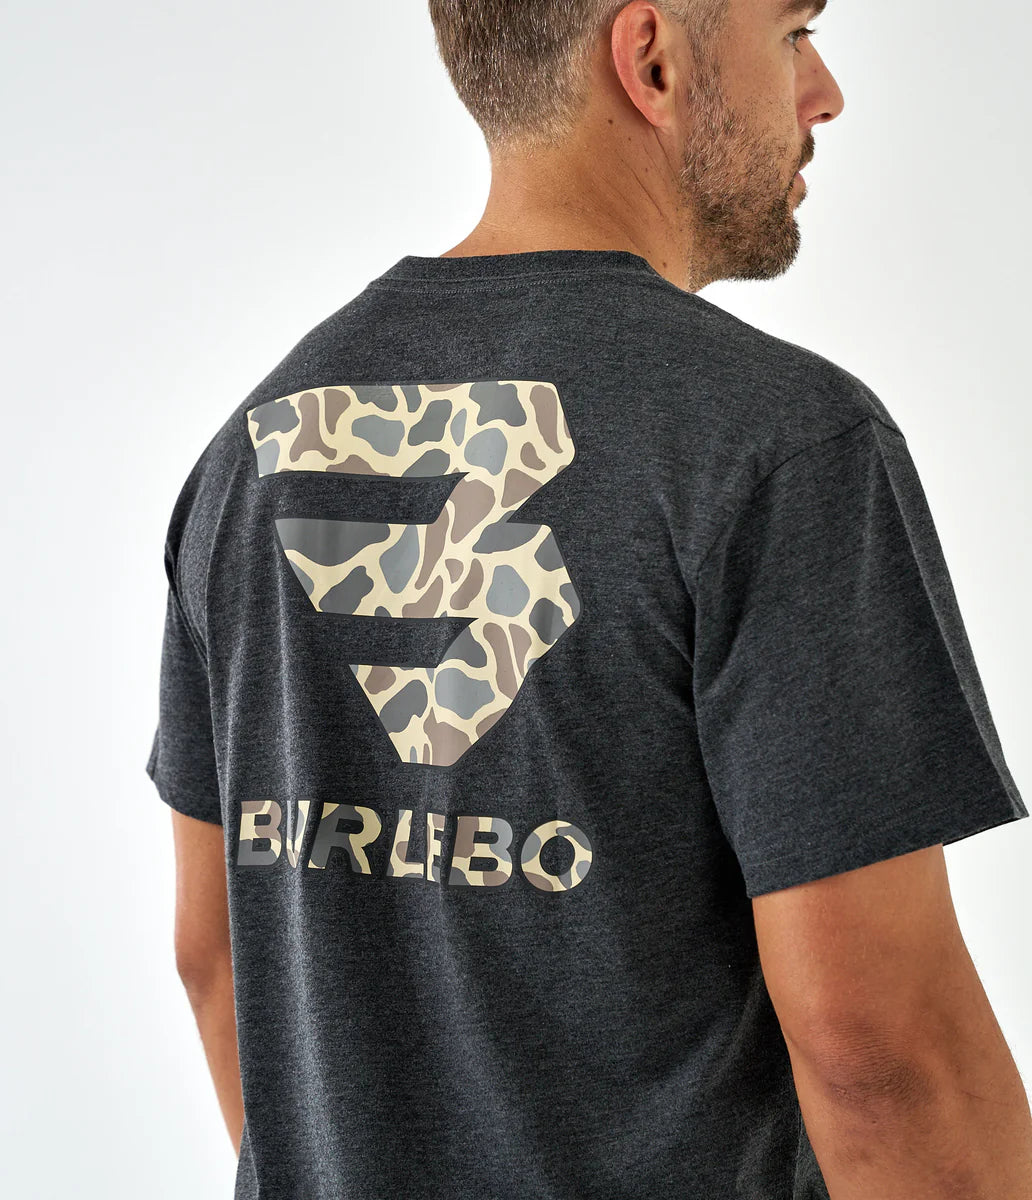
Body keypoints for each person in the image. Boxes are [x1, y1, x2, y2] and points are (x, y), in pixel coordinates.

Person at [145, 0, 1032, 1196]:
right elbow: (882, 1058)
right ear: (651, 59)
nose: (823, 93)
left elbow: (216, 960)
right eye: (792, 32)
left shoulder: (250, 451)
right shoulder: (776, 446)